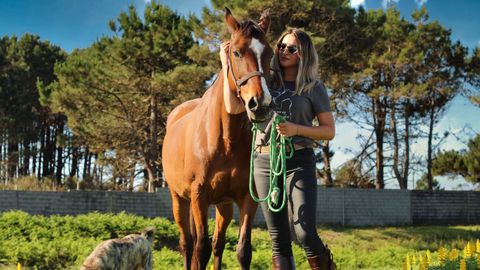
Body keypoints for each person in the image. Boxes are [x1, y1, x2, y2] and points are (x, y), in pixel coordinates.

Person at [220, 28, 336, 270]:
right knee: (278, 239)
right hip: (264, 162)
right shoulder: (266, 80)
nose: (284, 51)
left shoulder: (314, 88)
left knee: (304, 232)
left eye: (292, 48)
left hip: (299, 161)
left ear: (303, 54)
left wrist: (296, 129)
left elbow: (328, 131)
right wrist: (225, 62)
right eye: (282, 46)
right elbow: (233, 107)